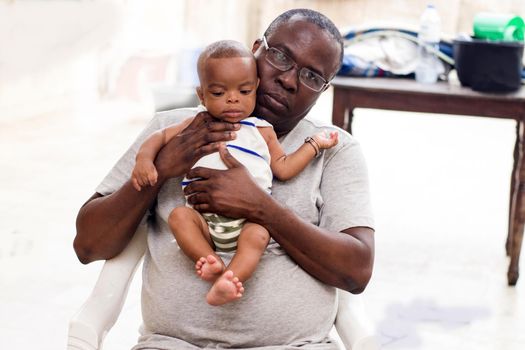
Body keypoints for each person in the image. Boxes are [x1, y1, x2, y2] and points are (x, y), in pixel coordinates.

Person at [74, 8, 374, 349]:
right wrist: (160, 171)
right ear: (256, 49)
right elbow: (88, 244)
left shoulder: (333, 150)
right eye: (280, 57)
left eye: (312, 77)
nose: (289, 80)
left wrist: (262, 208)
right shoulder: (173, 130)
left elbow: (356, 270)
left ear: (324, 89)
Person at [130, 39, 339, 306]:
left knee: (259, 235)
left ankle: (230, 278)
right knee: (179, 217)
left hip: (246, 221)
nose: (232, 99)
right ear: (202, 95)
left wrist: (315, 144)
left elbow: (284, 167)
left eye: (244, 91)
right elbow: (159, 136)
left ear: (256, 89)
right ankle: (208, 259)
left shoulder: (262, 131)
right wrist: (145, 161)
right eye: (218, 93)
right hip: (201, 219)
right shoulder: (196, 123)